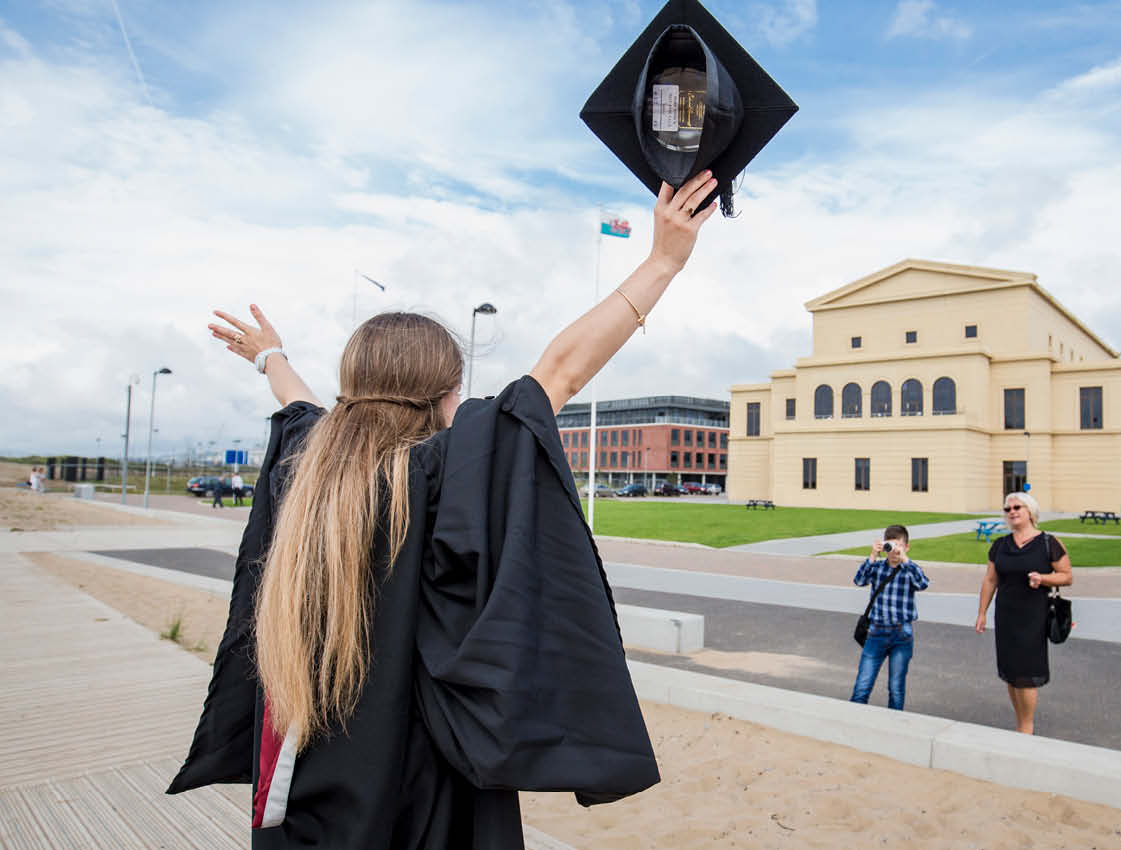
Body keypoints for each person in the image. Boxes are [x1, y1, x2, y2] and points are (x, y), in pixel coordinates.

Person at [167, 174, 720, 849]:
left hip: (306, 780)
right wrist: (663, 260)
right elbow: (560, 371)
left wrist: (269, 356)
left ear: (354, 387)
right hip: (422, 785)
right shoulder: (439, 473)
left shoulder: (305, 472)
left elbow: (298, 408)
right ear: (449, 392)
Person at [974, 491, 1073, 734]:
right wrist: (982, 612)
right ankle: (1020, 721)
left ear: (1030, 511)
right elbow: (990, 580)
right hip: (1006, 615)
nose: (1012, 512)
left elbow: (1067, 576)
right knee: (1010, 672)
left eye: (1017, 507)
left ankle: (1027, 726)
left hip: (1033, 617)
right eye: (1008, 509)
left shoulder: (1048, 542)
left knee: (1027, 674)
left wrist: (1044, 578)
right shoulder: (1000, 545)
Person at [849, 525, 930, 711]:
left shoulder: (909, 569)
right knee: (863, 685)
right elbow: (859, 581)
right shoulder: (877, 568)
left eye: (898, 546)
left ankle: (895, 724)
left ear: (906, 547)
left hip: (902, 634)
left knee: (896, 688)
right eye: (890, 546)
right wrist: (872, 556)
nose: (894, 551)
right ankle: (853, 721)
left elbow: (923, 583)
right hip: (876, 631)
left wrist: (906, 560)